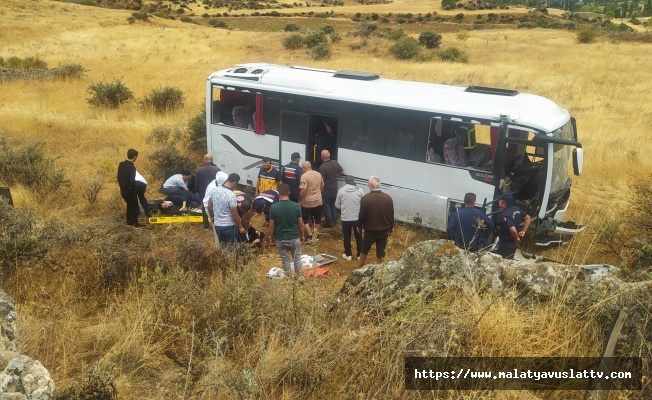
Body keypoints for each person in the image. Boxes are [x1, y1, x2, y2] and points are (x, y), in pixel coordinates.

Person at [269, 183, 305, 277]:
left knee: (285, 259)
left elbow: (271, 225)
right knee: (297, 258)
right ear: (289, 192)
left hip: (280, 238)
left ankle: (289, 279)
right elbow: (301, 224)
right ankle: (299, 278)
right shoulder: (296, 206)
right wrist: (302, 236)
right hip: (294, 237)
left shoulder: (274, 207)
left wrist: (271, 237)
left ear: (278, 194)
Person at [357, 176, 394, 267]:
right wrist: (391, 227)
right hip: (384, 230)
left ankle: (360, 266)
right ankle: (379, 269)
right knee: (381, 251)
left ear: (371, 185)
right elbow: (391, 214)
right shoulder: (388, 198)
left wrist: (359, 226)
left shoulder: (365, 198)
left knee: (364, 248)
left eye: (368, 184)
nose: (368, 186)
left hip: (370, 230)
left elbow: (362, 215)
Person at [207, 173, 246, 246]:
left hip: (218, 225)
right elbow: (234, 214)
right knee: (231, 248)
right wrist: (240, 227)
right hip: (229, 226)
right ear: (235, 182)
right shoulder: (231, 195)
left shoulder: (214, 190)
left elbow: (209, 206)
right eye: (236, 184)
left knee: (222, 246)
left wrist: (212, 218)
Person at [493, 193, 531, 259]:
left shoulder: (505, 214)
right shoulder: (517, 209)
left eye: (499, 200)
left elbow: (512, 230)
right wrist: (523, 231)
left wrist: (516, 239)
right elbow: (528, 218)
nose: (498, 201)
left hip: (506, 243)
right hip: (513, 243)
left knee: (504, 260)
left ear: (503, 203)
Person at [335, 175, 364, 261]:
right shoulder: (360, 190)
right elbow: (364, 203)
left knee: (347, 237)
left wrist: (343, 208)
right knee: (358, 237)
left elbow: (337, 204)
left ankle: (348, 255)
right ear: (353, 181)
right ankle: (359, 255)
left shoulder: (341, 190)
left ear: (345, 181)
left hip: (345, 218)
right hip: (357, 218)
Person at [299, 161, 324, 241]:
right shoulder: (318, 174)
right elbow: (322, 185)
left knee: (304, 218)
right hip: (318, 200)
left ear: (304, 168)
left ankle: (310, 235)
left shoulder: (304, 176)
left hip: (308, 202)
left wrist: (300, 200)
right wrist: (319, 193)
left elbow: (303, 191)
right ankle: (316, 236)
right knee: (317, 218)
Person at [117, 149, 143, 227]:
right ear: (134, 157)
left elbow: (118, 177)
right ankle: (135, 223)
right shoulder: (132, 168)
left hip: (123, 189)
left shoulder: (121, 164)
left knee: (129, 206)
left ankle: (129, 222)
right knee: (134, 206)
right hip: (130, 191)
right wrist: (135, 189)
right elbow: (132, 181)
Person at [319, 149, 344, 228]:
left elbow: (321, 180)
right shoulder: (335, 162)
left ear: (322, 157)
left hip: (326, 189)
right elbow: (342, 172)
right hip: (335, 188)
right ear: (329, 155)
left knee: (326, 207)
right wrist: (336, 176)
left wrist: (320, 190)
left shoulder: (322, 167)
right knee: (333, 205)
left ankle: (329, 224)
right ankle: (334, 221)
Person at [195, 154, 221, 229]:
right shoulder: (217, 169)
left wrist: (197, 191)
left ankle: (206, 226)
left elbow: (196, 183)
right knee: (216, 207)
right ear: (212, 160)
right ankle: (216, 224)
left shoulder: (199, 170)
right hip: (215, 192)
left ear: (204, 160)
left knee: (204, 208)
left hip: (203, 192)